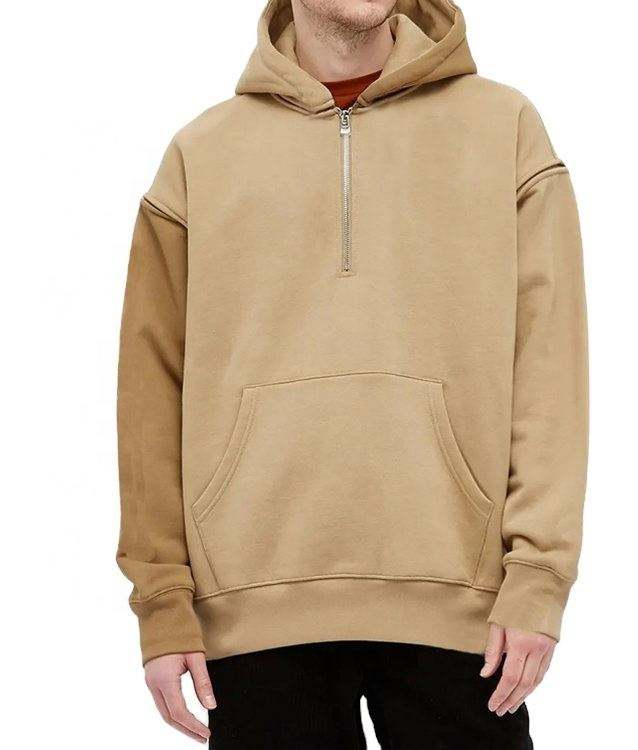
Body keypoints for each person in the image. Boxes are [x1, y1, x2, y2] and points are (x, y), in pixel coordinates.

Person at [117, 0, 588, 746]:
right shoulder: (199, 155)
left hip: (464, 606)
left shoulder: (505, 130)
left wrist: (540, 575)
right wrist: (162, 596)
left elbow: (550, 368)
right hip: (250, 609)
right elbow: (150, 389)